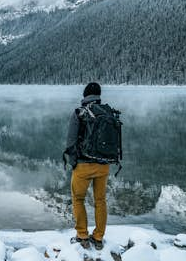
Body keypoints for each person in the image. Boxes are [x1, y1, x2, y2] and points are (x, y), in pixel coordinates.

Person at [64, 82, 117, 251]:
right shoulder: (108, 112)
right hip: (104, 166)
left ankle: (82, 236)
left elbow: (71, 141)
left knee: (78, 199)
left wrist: (73, 163)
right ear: (99, 95)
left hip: (83, 166)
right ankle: (98, 237)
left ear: (85, 95)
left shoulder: (79, 113)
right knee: (100, 201)